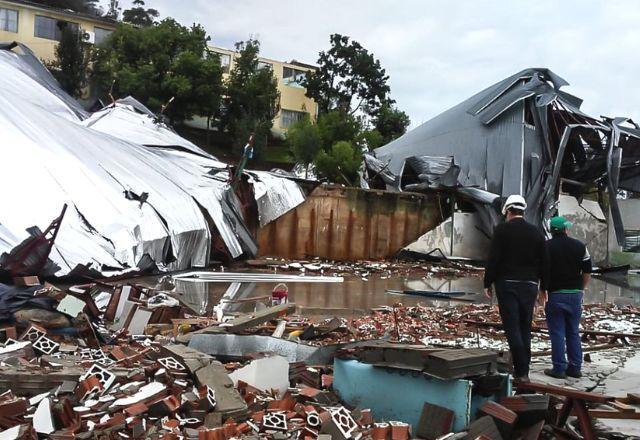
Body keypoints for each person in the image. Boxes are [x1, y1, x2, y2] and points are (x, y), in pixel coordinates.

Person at [484, 194, 549, 382]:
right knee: (524, 326)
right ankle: (523, 369)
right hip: (530, 285)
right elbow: (545, 261)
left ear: (507, 211)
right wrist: (544, 287)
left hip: (507, 284)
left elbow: (493, 258)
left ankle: (521, 372)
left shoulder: (501, 230)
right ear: (523, 210)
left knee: (512, 327)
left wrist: (487, 282)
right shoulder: (537, 232)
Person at [544, 216, 592, 379]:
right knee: (573, 332)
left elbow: (541, 272)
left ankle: (559, 368)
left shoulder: (546, 247)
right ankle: (575, 368)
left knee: (557, 332)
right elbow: (587, 271)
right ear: (565, 229)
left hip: (555, 295)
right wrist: (581, 288)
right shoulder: (580, 246)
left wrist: (541, 290)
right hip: (575, 295)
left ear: (552, 231)